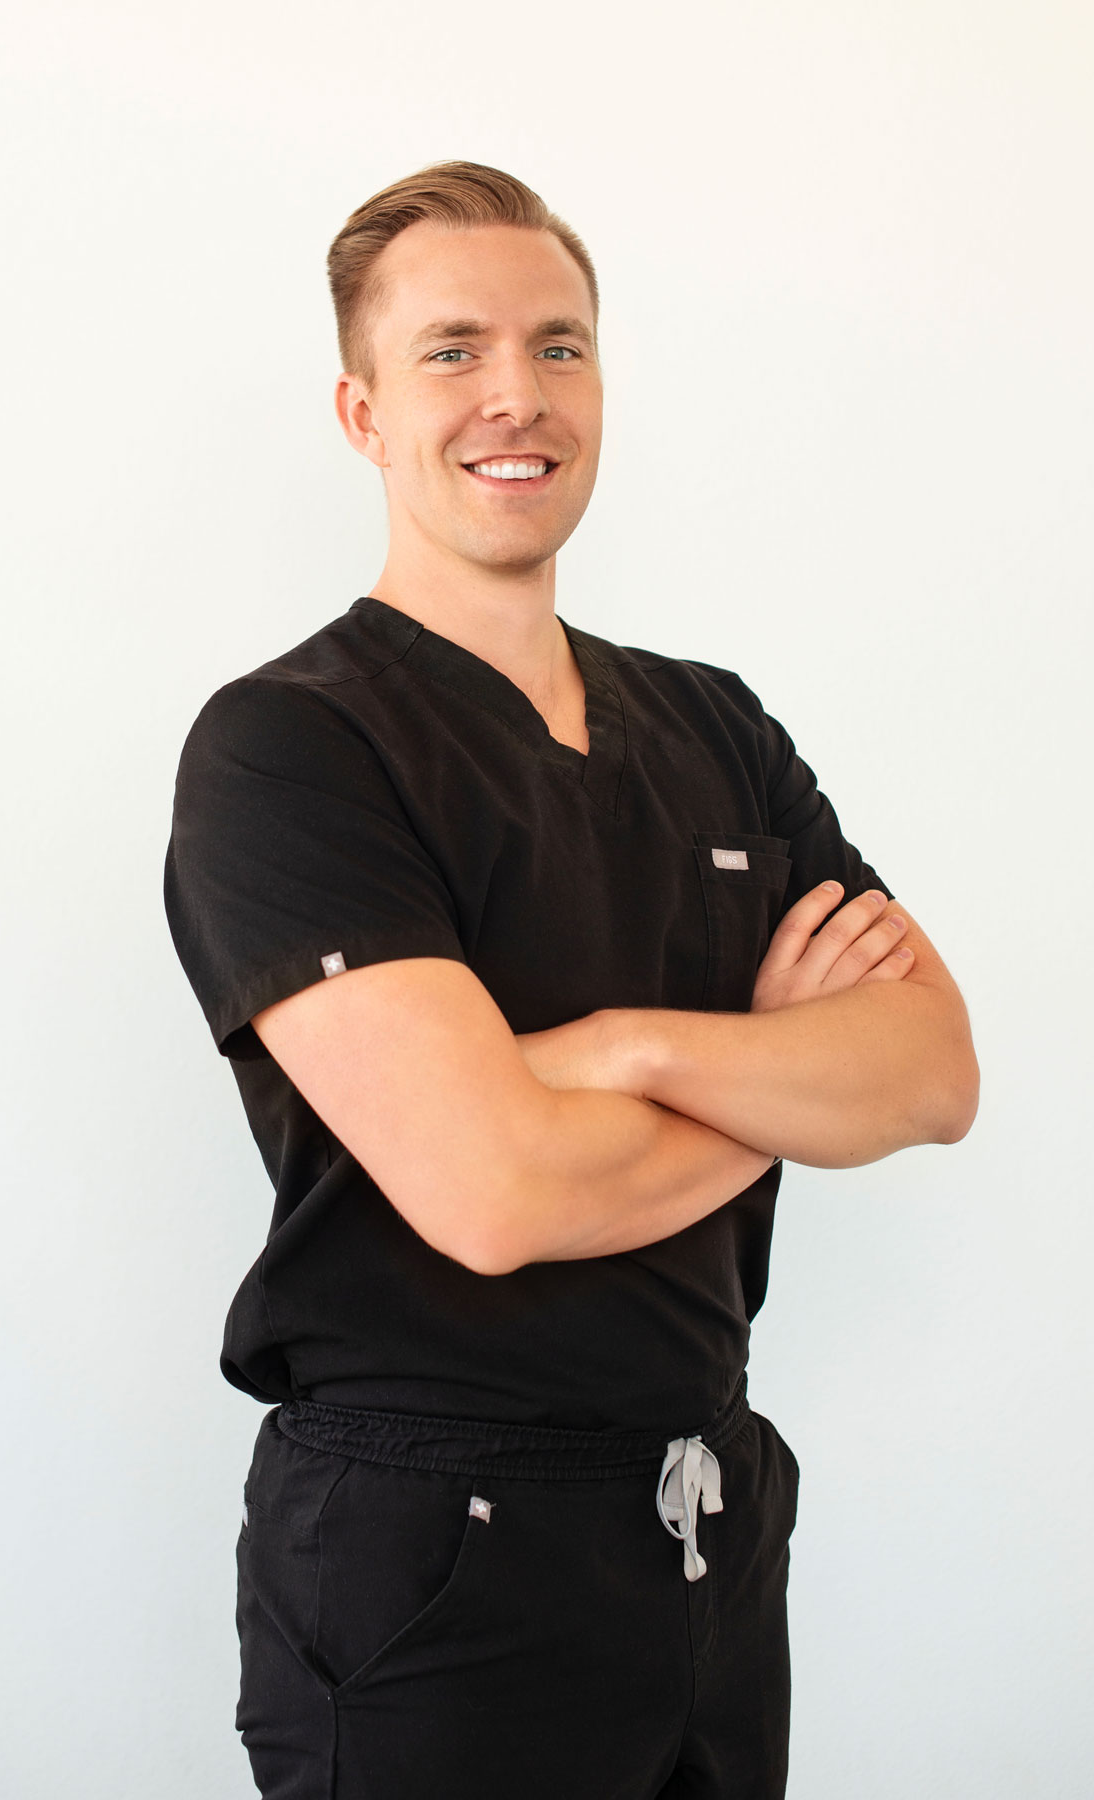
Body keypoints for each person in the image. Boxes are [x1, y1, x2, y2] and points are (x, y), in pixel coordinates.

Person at [163, 159, 979, 1800]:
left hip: (706, 1530)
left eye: (559, 345)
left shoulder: (715, 726)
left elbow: (931, 1074)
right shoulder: (291, 747)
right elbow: (494, 1193)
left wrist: (616, 1049)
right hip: (434, 1563)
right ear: (362, 412)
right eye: (451, 350)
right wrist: (775, 1073)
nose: (516, 395)